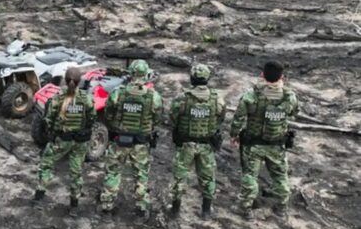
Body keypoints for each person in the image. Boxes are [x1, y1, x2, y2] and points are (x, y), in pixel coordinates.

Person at [230, 61, 299, 220]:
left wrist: (234, 134)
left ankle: (245, 208)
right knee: (280, 176)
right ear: (282, 77)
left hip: (253, 145)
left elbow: (239, 117)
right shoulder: (289, 96)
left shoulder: (251, 95)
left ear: (262, 75)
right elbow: (294, 112)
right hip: (277, 144)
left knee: (249, 176)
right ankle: (281, 208)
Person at [100, 60, 163, 219]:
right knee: (141, 175)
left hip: (119, 140)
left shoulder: (118, 92)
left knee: (113, 172)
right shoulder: (152, 96)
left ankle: (107, 206)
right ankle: (142, 208)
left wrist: (115, 126)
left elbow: (108, 113)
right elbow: (157, 118)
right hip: (141, 142)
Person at [33, 67, 96, 215]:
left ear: (65, 81)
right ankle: (74, 206)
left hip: (61, 139)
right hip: (80, 141)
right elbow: (92, 118)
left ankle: (39, 198)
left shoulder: (58, 97)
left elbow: (48, 118)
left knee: (47, 165)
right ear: (79, 81)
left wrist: (53, 133)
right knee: (76, 172)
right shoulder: (86, 98)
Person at [169, 64, 226, 219]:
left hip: (186, 144)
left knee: (180, 177)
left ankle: (175, 210)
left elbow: (173, 117)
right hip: (206, 145)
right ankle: (206, 211)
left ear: (192, 78)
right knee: (208, 178)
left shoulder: (182, 98)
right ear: (207, 79)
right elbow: (221, 117)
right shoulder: (216, 98)